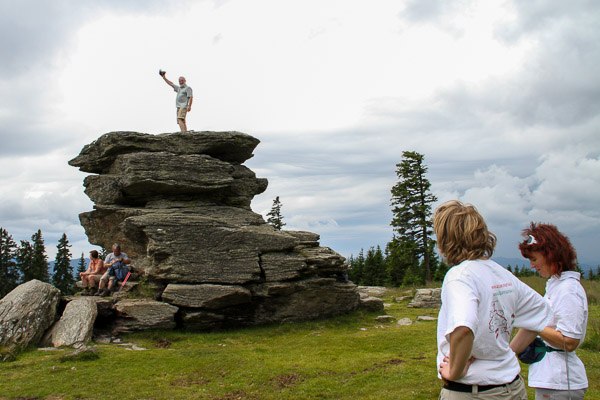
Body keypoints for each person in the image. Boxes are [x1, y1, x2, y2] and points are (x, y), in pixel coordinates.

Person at [434, 200, 552, 400]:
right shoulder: (499, 273)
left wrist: (454, 370)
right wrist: (506, 355)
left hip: (474, 391)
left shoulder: (459, 277)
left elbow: (463, 329)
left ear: (446, 238)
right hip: (512, 388)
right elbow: (540, 312)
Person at [515, 223, 588, 399]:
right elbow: (533, 326)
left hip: (561, 381)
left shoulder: (568, 290)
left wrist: (535, 322)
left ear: (550, 254)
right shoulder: (556, 286)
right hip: (551, 379)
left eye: (534, 259)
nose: (532, 266)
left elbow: (570, 341)